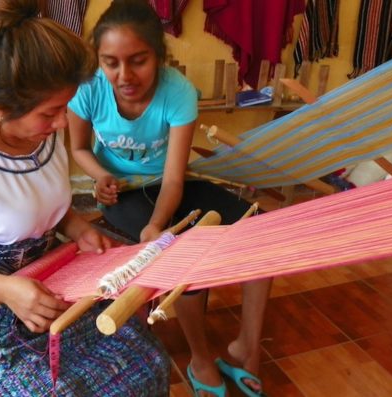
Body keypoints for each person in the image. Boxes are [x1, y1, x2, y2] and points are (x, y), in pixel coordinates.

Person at [0, 1, 171, 396]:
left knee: (146, 362)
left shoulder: (43, 138)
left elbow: (45, 204)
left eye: (64, 108)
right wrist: (9, 290)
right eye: (50, 113)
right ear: (0, 108)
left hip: (53, 291)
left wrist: (77, 227)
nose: (62, 123)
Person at [67, 1, 272, 396]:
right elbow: (78, 149)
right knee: (185, 258)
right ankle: (200, 358)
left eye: (138, 61)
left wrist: (156, 226)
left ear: (159, 57)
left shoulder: (177, 92)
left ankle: (248, 348)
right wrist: (102, 177)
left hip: (171, 185)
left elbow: (175, 178)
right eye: (110, 62)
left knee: (260, 227)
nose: (124, 75)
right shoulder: (89, 89)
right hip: (123, 193)